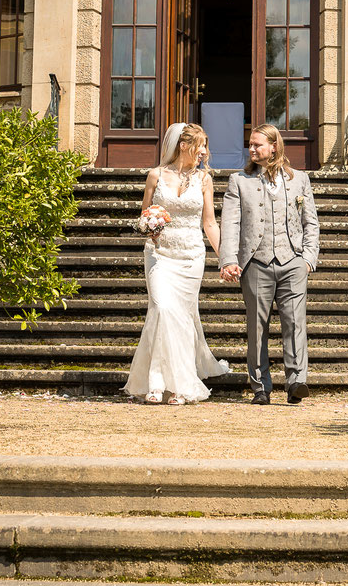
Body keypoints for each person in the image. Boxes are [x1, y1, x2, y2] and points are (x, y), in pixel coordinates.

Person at [124, 122, 229, 406]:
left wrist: (225, 258)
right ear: (183, 146)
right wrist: (149, 227)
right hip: (159, 254)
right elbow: (142, 217)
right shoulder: (155, 176)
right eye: (201, 145)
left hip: (192, 255)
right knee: (161, 308)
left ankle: (181, 385)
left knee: (182, 318)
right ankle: (156, 382)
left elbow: (209, 222)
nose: (205, 152)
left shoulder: (204, 179)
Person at [219, 124, 320, 405]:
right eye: (250, 145)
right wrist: (228, 260)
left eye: (257, 144)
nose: (251, 149)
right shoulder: (238, 181)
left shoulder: (299, 179)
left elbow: (310, 221)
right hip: (256, 262)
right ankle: (260, 387)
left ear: (274, 146)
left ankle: (297, 381)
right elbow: (230, 223)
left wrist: (308, 258)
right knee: (257, 327)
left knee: (295, 323)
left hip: (293, 261)